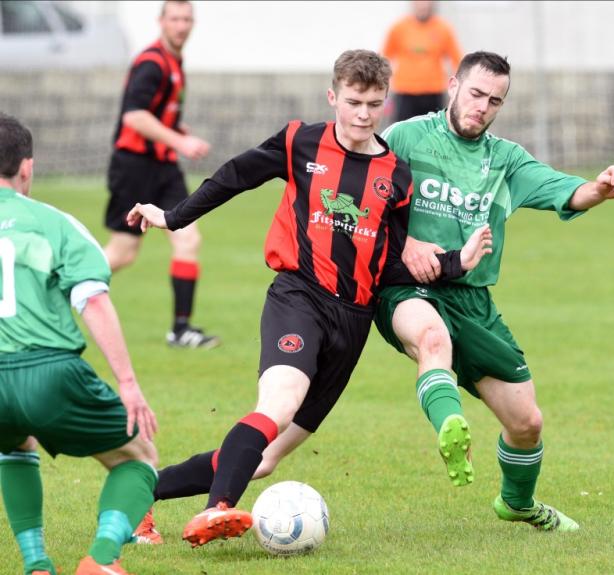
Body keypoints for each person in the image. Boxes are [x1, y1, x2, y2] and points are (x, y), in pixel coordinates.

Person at [126, 49, 492, 548]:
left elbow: (388, 263)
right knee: (278, 402)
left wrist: (456, 263)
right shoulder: (301, 141)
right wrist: (174, 216)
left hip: (353, 321)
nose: (363, 114)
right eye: (353, 102)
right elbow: (234, 176)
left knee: (267, 457)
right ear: (333, 96)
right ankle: (217, 509)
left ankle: (138, 491)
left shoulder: (396, 176)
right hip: (298, 296)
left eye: (374, 104)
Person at [374, 51, 614, 531]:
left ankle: (518, 504)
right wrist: (408, 241)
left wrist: (600, 188)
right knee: (433, 341)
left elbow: (565, 189)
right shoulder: (405, 137)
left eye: (494, 101)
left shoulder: (506, 159)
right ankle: (450, 428)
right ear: (452, 84)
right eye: (475, 93)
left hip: (475, 302)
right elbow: (363, 195)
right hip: (407, 289)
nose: (482, 106)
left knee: (527, 423)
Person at [0, 113, 159, 575]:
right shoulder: (56, 224)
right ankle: (103, 560)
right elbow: (92, 299)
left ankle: (37, 565)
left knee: (14, 445)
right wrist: (127, 383)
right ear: (27, 168)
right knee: (140, 457)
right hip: (48, 371)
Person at [103, 0, 219, 349]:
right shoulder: (152, 63)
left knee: (187, 238)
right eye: (175, 19)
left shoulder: (174, 61)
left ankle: (181, 330)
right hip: (135, 166)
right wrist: (180, 141)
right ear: (161, 21)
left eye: (187, 19)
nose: (182, 25)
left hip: (164, 167)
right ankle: (54, 291)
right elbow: (134, 117)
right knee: (123, 252)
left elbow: (155, 112)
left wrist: (173, 128)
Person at [382, 0, 462, 122]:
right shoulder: (399, 28)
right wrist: (383, 86)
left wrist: (460, 88)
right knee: (402, 133)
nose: (423, 5)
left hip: (433, 91)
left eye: (426, 2)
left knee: (434, 133)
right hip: (405, 92)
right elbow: (385, 58)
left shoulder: (444, 28)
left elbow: (457, 60)